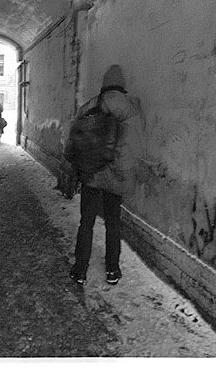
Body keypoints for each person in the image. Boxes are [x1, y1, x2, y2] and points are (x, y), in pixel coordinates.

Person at [68, 64, 144, 286]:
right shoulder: (130, 109)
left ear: (104, 84)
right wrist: (121, 171)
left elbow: (74, 139)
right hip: (115, 177)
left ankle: (80, 269)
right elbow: (133, 147)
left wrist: (77, 167)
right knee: (113, 224)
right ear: (122, 85)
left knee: (86, 222)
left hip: (91, 175)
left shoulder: (89, 106)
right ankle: (112, 269)